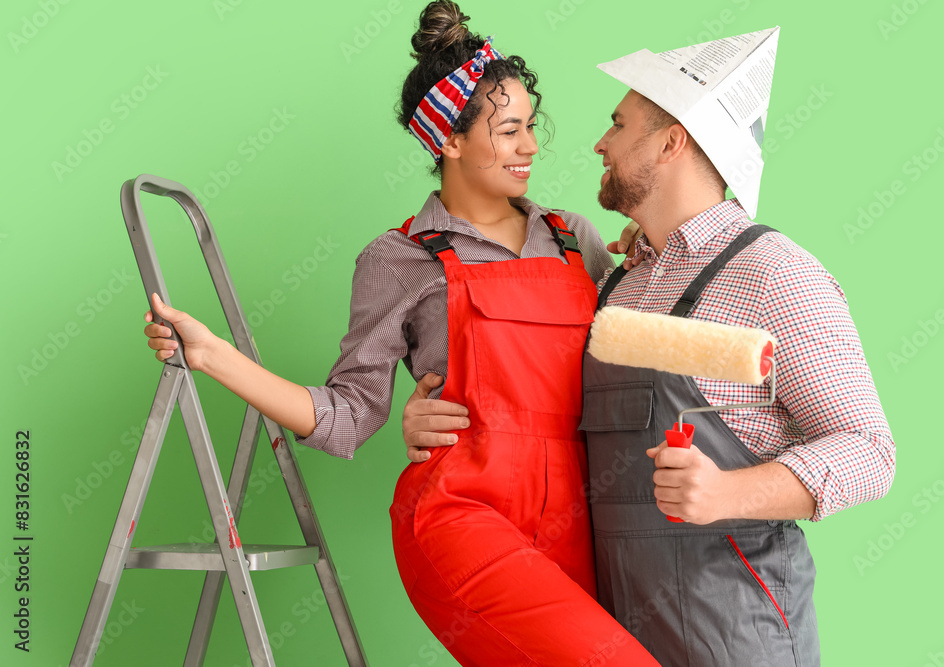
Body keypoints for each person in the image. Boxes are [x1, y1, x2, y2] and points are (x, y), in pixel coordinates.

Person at [143, 2, 657, 665]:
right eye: (508, 131)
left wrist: (658, 249)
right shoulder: (399, 259)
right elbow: (348, 416)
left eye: (531, 126)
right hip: (462, 515)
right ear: (448, 141)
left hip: (577, 520)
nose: (531, 146)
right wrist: (213, 355)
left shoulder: (575, 239)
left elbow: (629, 358)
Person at [403, 28, 896, 666]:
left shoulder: (774, 272)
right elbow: (543, 409)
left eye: (618, 124)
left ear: (670, 141)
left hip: (737, 630)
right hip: (617, 628)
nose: (598, 144)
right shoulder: (616, 285)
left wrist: (725, 494)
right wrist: (434, 416)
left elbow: (871, 454)